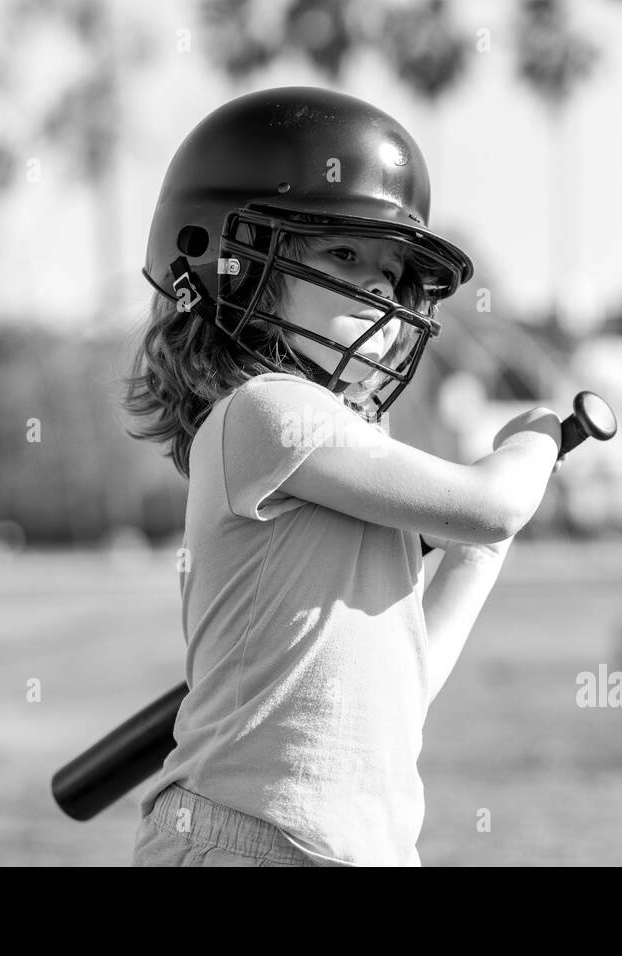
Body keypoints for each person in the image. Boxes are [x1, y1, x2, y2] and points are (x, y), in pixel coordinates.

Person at [121, 87, 563, 866]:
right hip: (249, 844)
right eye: (343, 255)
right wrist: (532, 440)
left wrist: (476, 554)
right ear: (231, 261)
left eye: (393, 274)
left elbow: (398, 689)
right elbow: (495, 502)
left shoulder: (346, 447)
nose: (378, 290)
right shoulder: (268, 413)